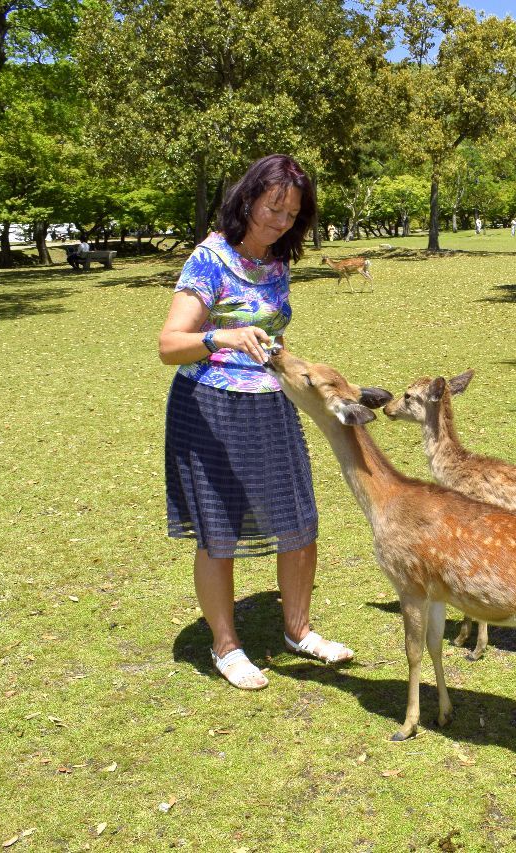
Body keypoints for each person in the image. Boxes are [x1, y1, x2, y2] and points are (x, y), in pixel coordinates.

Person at [158, 154, 351, 692]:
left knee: (298, 522)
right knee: (218, 531)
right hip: (210, 409)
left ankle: (299, 631)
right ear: (247, 200)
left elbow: (273, 332)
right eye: (273, 208)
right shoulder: (209, 258)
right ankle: (226, 646)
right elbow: (169, 345)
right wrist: (221, 336)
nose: (279, 221)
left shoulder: (277, 262)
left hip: (270, 403)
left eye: (291, 214)